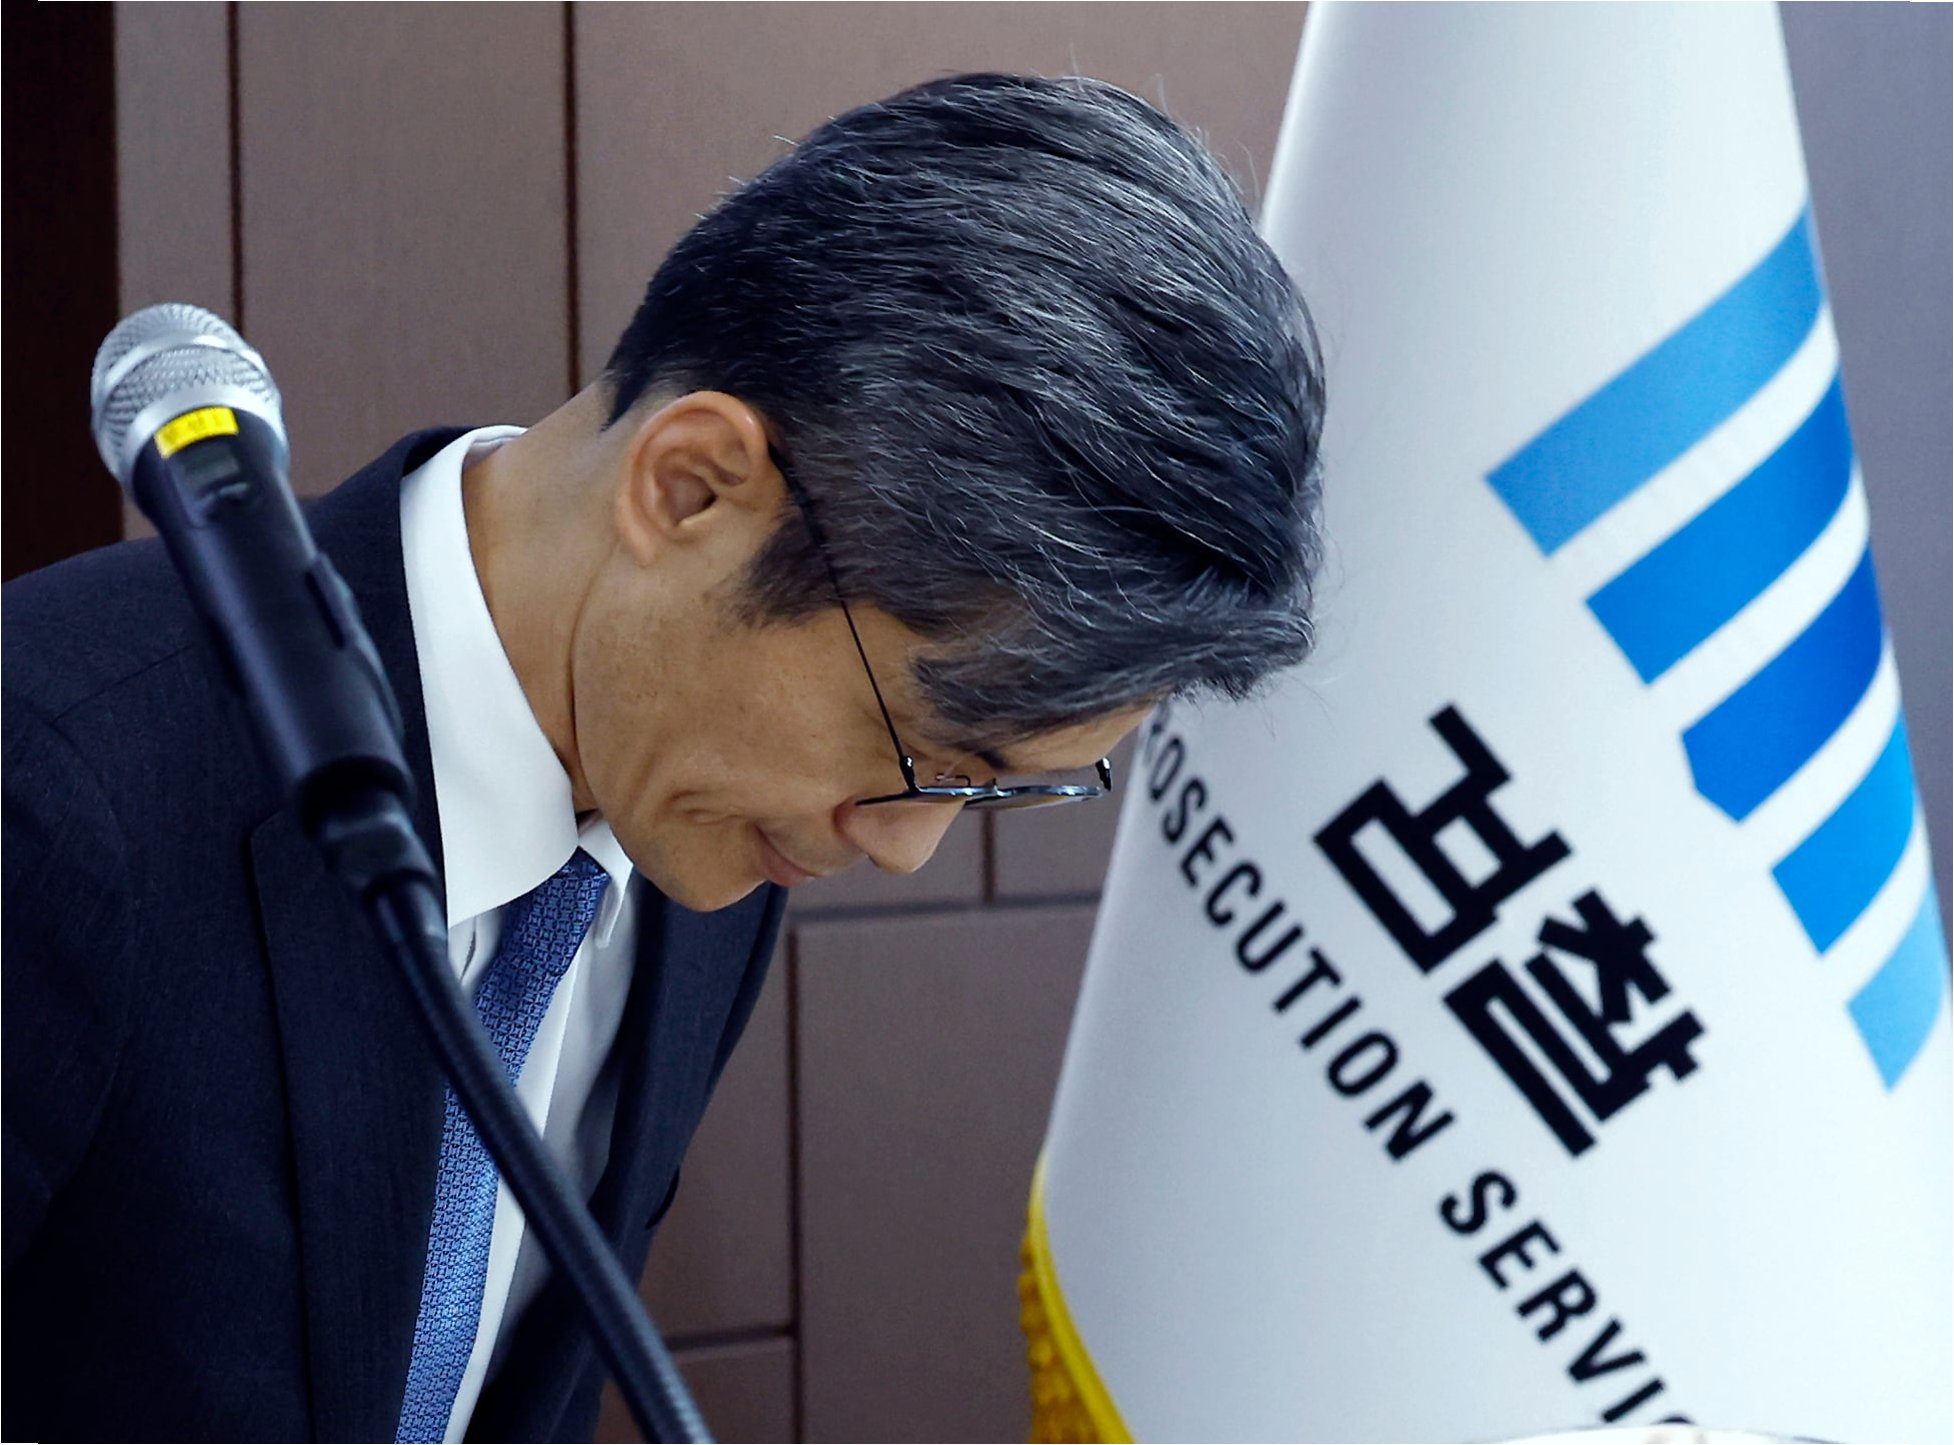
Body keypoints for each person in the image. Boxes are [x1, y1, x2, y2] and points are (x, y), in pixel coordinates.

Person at [2, 72, 1325, 1442]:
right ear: (690, 486)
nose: (901, 843)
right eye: (919, 748)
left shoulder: (702, 823)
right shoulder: (54, 775)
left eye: (992, 789)